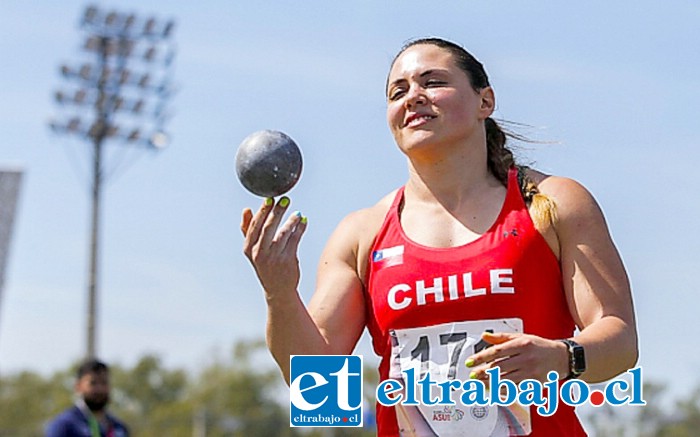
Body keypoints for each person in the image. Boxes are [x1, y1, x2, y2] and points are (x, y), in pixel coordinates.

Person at [241, 37, 638, 436]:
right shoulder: (362, 233)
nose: (413, 97)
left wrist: (561, 357)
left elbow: (620, 341)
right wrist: (279, 292)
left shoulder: (553, 203)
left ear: (486, 101)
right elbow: (318, 383)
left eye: (432, 82)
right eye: (399, 91)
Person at [45, 358, 129, 437]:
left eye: (104, 383)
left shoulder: (118, 427)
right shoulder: (65, 425)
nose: (99, 389)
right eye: (93, 383)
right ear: (78, 386)